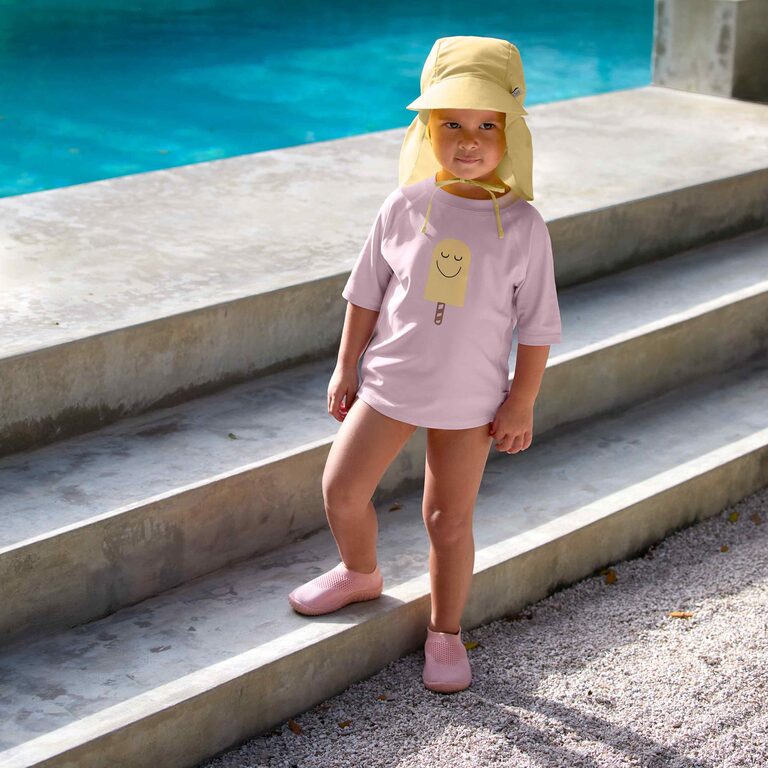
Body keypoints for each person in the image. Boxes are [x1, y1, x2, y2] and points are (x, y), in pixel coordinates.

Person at [288, 35, 562, 694]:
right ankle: (360, 572)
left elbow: (538, 326)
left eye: (486, 125)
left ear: (510, 133)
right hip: (389, 384)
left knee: (447, 520)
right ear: (427, 130)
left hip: (470, 402)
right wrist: (346, 366)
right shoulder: (404, 206)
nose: (469, 141)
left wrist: (521, 400)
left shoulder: (523, 226)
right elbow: (365, 293)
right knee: (341, 489)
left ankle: (445, 631)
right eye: (452, 124)